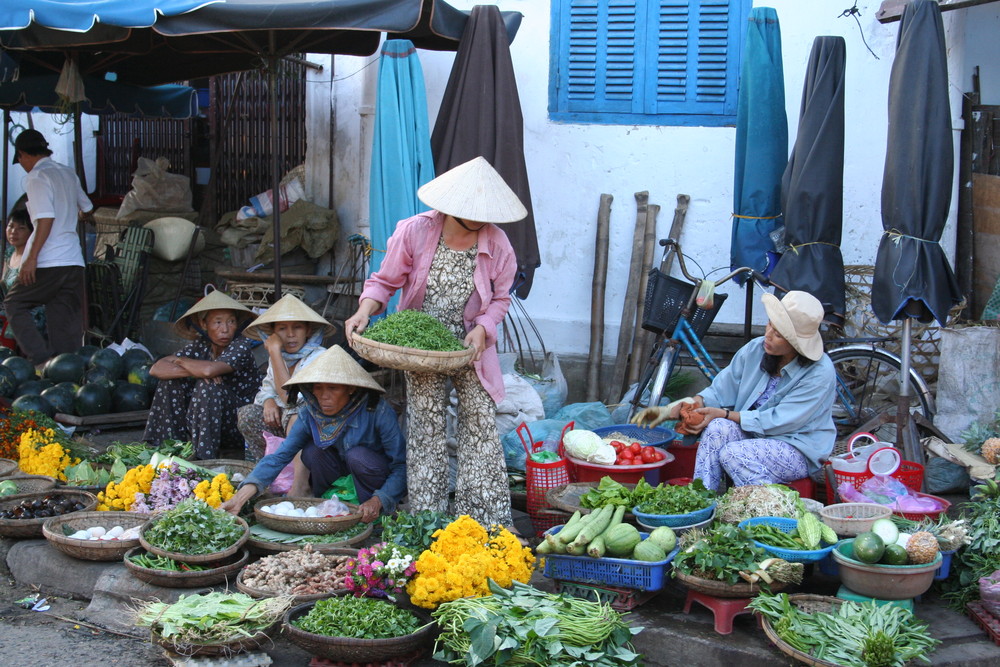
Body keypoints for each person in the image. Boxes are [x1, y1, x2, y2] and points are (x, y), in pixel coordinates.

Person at [344, 156, 525, 528]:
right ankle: (428, 523)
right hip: (422, 349)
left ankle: (483, 526)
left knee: (480, 430)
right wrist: (365, 310)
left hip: (472, 349)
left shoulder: (498, 242)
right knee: (426, 430)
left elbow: (503, 297)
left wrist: (484, 327)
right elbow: (384, 281)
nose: (477, 219)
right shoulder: (416, 231)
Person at [632, 290, 836, 493]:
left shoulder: (819, 372)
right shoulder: (755, 349)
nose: (768, 335)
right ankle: (702, 499)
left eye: (778, 334)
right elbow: (719, 391)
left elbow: (780, 420)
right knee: (718, 427)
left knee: (733, 452)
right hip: (753, 437)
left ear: (796, 344)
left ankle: (773, 507)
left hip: (796, 447)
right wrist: (674, 409)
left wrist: (726, 414)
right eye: (769, 325)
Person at [222, 345, 406, 523]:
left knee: (357, 455)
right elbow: (280, 456)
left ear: (351, 388)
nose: (324, 396)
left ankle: (371, 514)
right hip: (336, 475)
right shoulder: (310, 412)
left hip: (371, 481)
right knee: (313, 452)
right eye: (318, 388)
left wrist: (379, 500)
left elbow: (400, 466)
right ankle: (329, 504)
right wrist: (240, 498)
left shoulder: (376, 410)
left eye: (333, 388)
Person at [5, 129, 92, 368]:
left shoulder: (36, 177)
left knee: (14, 303)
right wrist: (71, 217)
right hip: (73, 259)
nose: (21, 165)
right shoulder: (67, 172)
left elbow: (45, 219)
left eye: (20, 159)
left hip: (50, 260)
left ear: (23, 154)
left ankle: (41, 360)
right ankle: (67, 374)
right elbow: (87, 208)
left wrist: (31, 258)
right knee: (62, 323)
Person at [144, 290, 261, 459]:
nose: (225, 330)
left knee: (208, 385)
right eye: (218, 322)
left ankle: (203, 458)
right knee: (170, 382)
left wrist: (182, 362)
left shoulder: (240, 346)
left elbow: (208, 371)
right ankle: (168, 448)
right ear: (204, 324)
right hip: (203, 421)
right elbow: (156, 369)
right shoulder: (201, 345)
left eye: (231, 322)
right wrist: (194, 370)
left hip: (236, 426)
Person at [237, 294, 333, 497]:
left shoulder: (320, 356)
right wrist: (269, 401)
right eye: (282, 329)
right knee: (247, 414)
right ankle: (269, 476)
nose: (290, 335)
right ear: (272, 333)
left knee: (296, 414)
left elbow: (290, 398)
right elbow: (266, 388)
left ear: (308, 330)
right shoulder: (279, 356)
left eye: (297, 327)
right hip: (283, 425)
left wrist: (273, 352)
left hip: (316, 430)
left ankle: (300, 485)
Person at [1, 209, 47, 342]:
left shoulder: (32, 259)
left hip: (29, 311)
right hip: (9, 306)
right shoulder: (9, 252)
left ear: (32, 233)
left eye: (21, 228)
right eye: (11, 226)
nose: (13, 232)